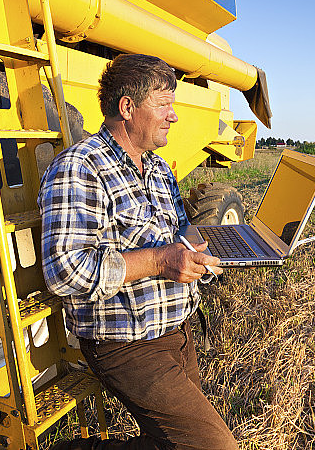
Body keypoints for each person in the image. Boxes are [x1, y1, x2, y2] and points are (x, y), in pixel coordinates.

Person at [38, 54, 238, 450]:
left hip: (177, 330)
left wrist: (214, 246)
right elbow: (64, 271)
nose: (174, 116)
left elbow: (177, 237)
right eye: (163, 104)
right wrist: (162, 261)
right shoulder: (80, 168)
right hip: (125, 342)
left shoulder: (159, 169)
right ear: (127, 108)